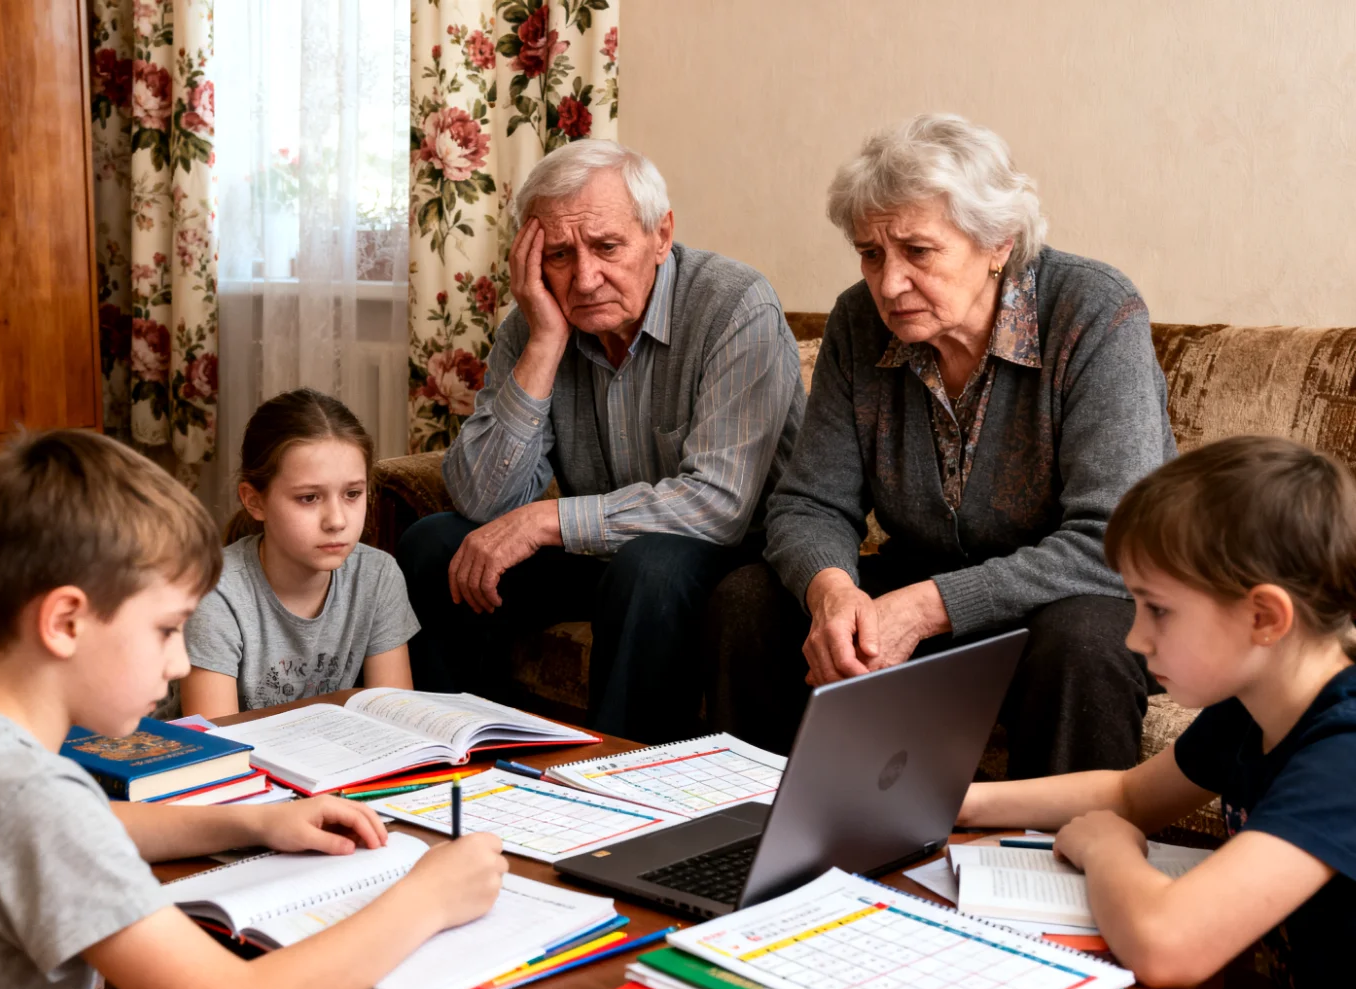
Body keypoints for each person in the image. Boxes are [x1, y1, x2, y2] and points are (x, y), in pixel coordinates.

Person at [0, 428, 508, 989]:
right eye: (167, 629)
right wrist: (426, 898)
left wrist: (252, 822)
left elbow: (91, 822)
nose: (177, 663)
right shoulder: (28, 801)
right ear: (67, 620)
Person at [711, 114, 1176, 778]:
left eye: (918, 251)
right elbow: (808, 503)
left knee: (1083, 640)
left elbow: (1114, 539)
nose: (889, 283)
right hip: (925, 584)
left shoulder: (1094, 311)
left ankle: (1053, 868)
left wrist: (928, 607)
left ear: (998, 244)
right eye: (871, 254)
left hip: (1071, 599)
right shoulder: (858, 322)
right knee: (749, 600)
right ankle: (749, 839)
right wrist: (833, 592)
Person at [960, 436, 1356, 989]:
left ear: (1264, 616)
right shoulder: (1257, 700)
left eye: (1157, 608)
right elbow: (1131, 795)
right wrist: (959, 802)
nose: (1135, 637)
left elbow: (1169, 945)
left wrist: (1107, 847)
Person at [397, 140, 805, 744]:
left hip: (729, 557)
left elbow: (717, 505)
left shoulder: (734, 305)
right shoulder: (538, 321)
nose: (585, 278)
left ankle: (618, 789)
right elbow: (481, 500)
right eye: (559, 254)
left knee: (652, 567)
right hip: (605, 553)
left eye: (607, 247)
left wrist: (544, 522)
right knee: (436, 544)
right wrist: (542, 342)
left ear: (661, 235)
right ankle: (446, 760)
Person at [173, 389, 418, 718]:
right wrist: (338, 701)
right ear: (254, 500)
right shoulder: (216, 592)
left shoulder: (377, 575)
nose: (337, 521)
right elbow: (218, 748)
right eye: (308, 498)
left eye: (353, 494)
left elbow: (397, 721)